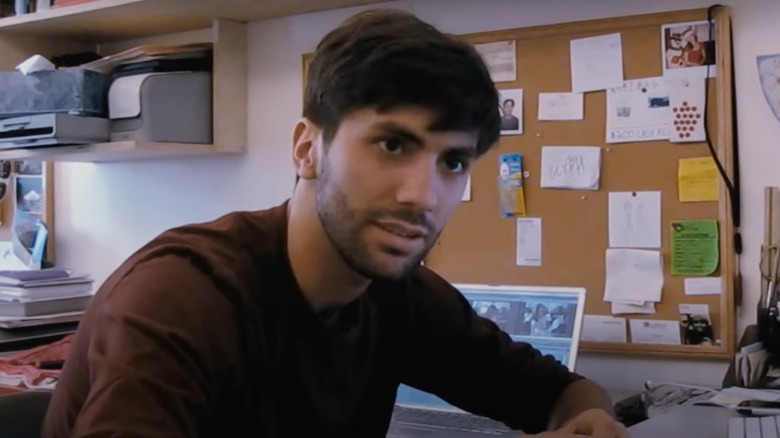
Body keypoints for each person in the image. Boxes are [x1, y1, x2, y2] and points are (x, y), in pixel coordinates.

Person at [42, 9, 627, 438]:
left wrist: (588, 421)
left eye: (452, 161)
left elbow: (561, 393)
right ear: (306, 149)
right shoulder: (181, 299)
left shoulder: (400, 298)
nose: (422, 196)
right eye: (392, 144)